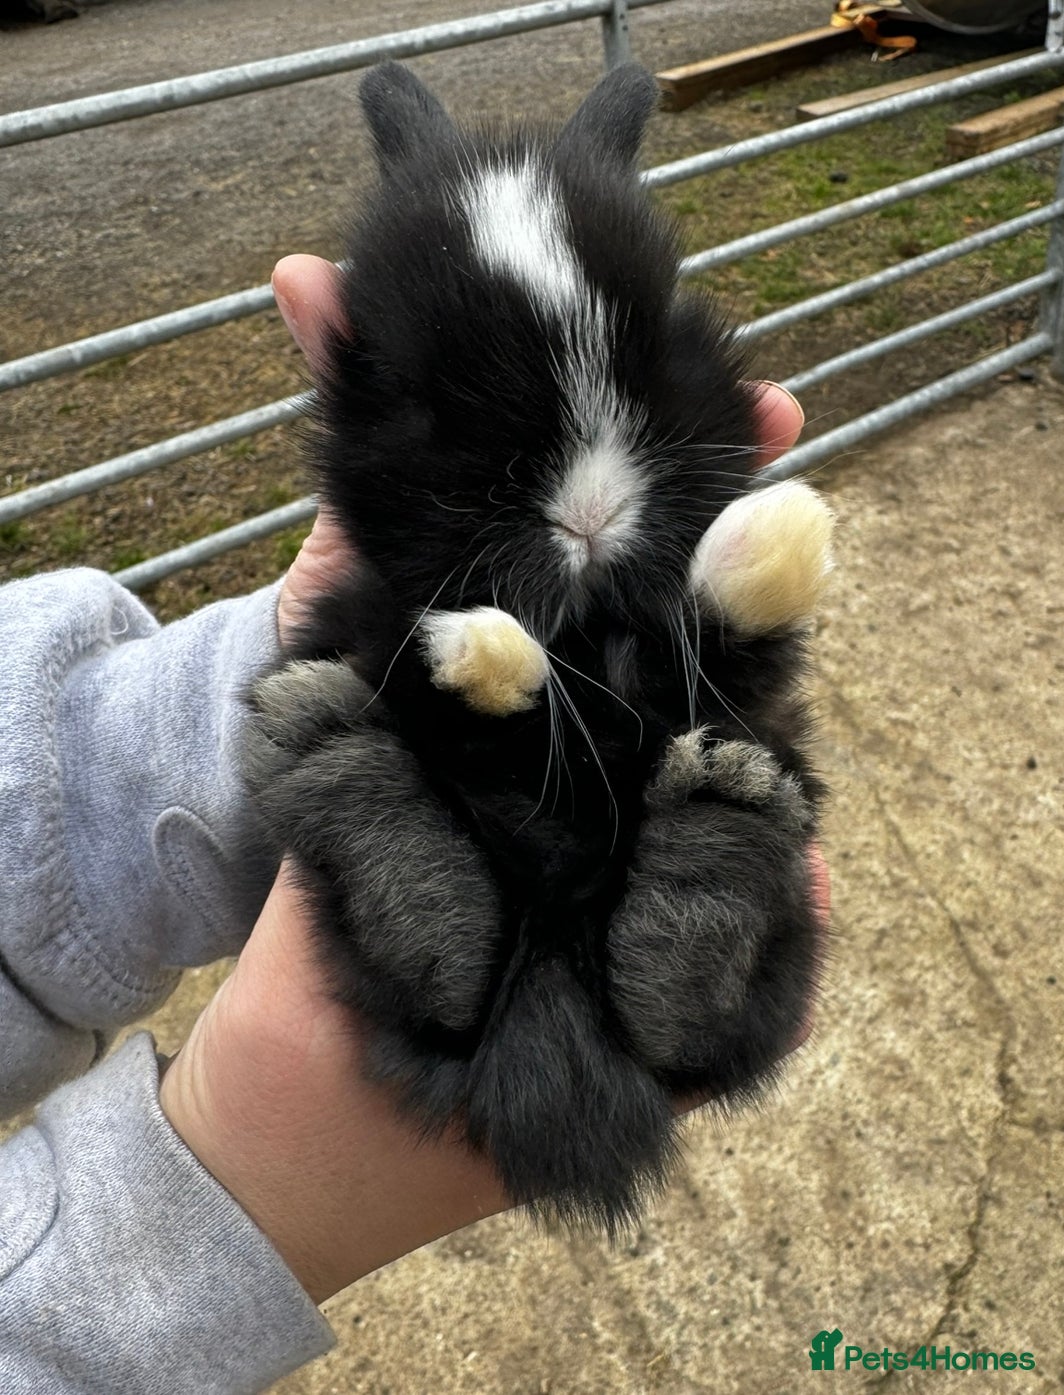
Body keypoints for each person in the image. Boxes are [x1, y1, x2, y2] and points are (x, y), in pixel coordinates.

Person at [0, 255, 818, 1394]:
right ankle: (469, 917)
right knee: (394, 746)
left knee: (719, 745)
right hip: (475, 886)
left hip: (634, 827)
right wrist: (224, 1161)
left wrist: (728, 625)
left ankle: (675, 907)